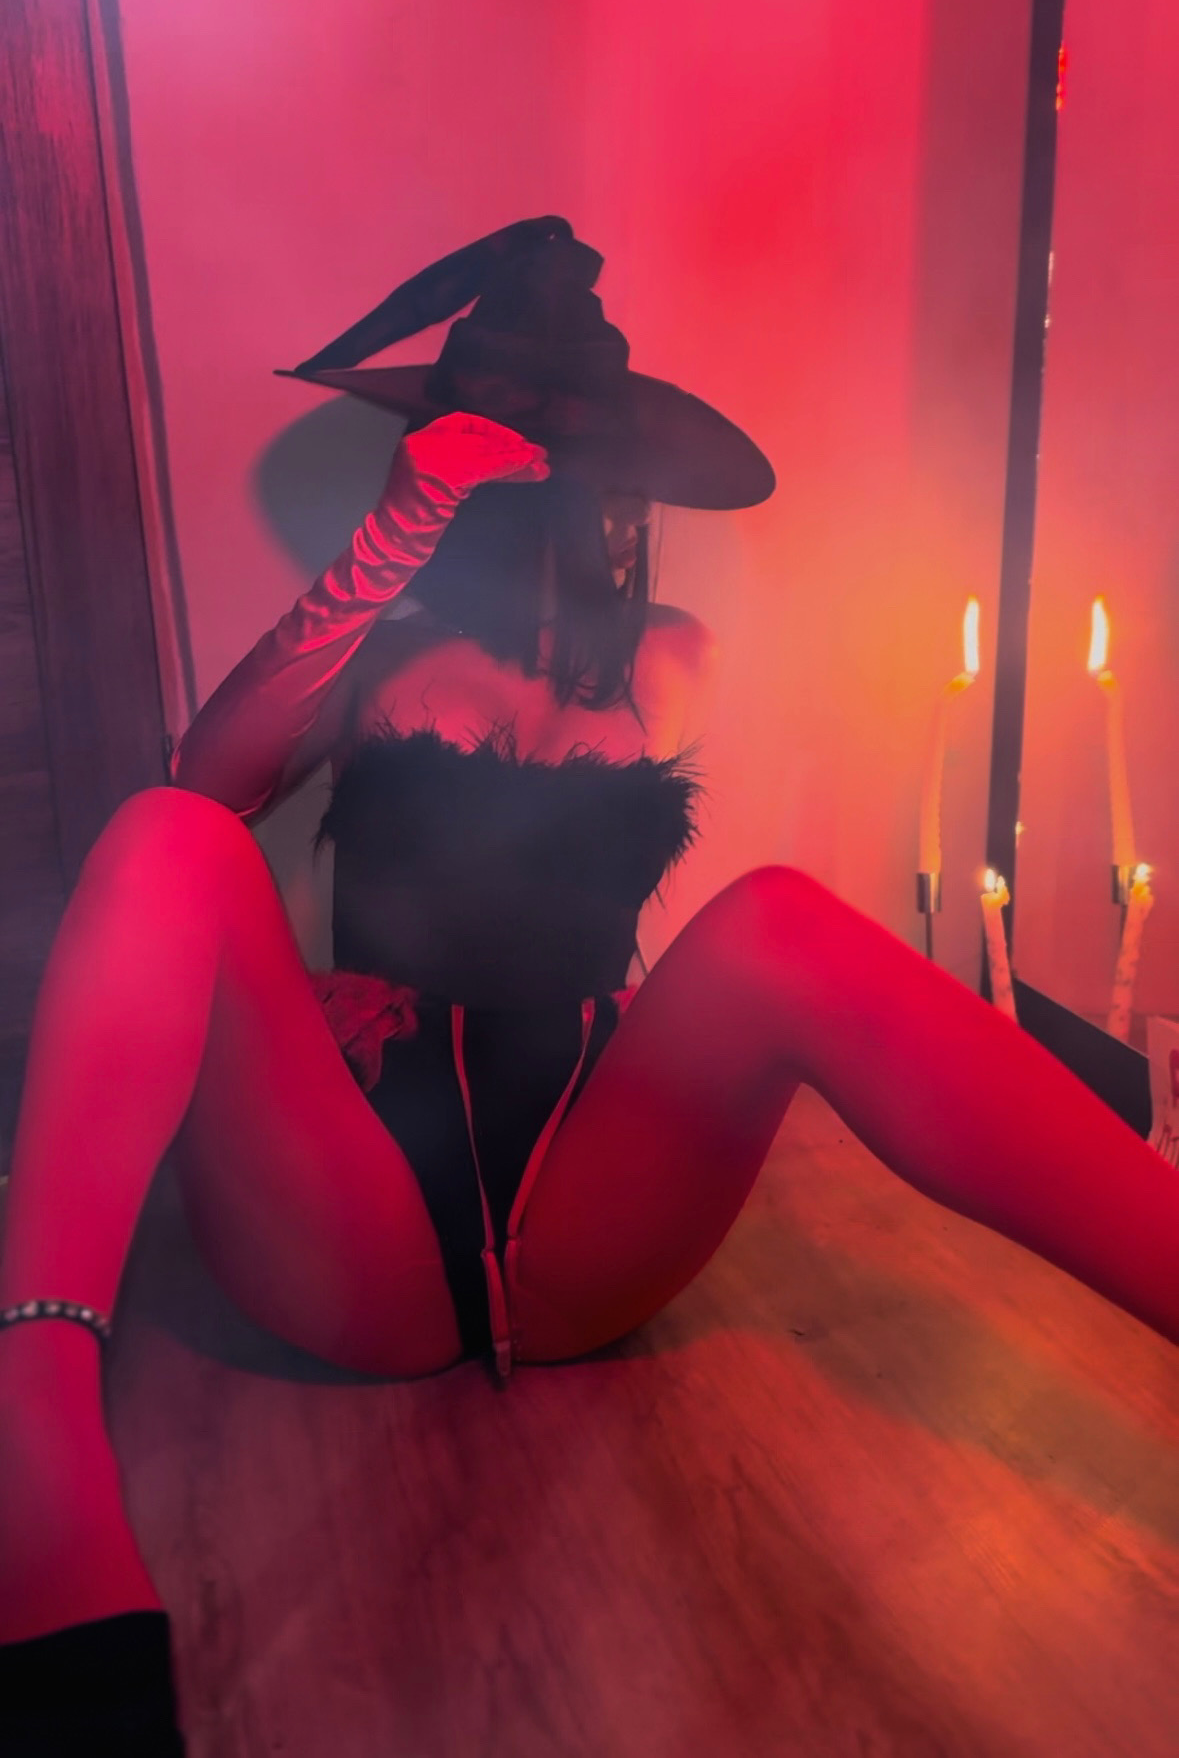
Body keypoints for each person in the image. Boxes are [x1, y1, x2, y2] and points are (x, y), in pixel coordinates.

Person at [1, 217, 1177, 1756]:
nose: (564, 500)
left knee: (778, 921)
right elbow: (204, 787)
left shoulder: (669, 657)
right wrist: (395, 534)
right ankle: (34, 1452)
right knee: (168, 838)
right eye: (516, 463)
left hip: (586, 1202)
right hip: (358, 1197)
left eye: (584, 472)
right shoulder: (380, 646)